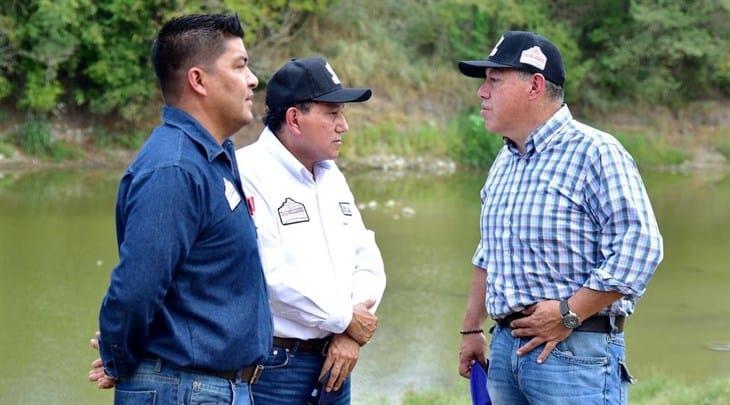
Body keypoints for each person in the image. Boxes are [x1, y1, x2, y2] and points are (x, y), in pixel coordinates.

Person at [456, 31, 663, 404]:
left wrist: (569, 313)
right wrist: (470, 329)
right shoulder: (505, 160)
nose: (482, 93)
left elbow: (640, 248)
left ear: (535, 85)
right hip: (506, 353)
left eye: (494, 81)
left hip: (574, 355)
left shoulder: (596, 152)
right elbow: (489, 251)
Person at [94, 14, 272, 404]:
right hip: (184, 390)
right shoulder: (174, 168)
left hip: (207, 389)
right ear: (198, 80)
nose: (253, 79)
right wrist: (118, 359)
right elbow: (135, 290)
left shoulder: (212, 157)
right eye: (240, 65)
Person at [235, 57, 386, 404]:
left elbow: (366, 258)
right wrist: (345, 319)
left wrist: (351, 334)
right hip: (275, 372)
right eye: (332, 114)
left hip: (337, 360)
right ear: (294, 119)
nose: (343, 126)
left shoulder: (331, 175)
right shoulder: (248, 172)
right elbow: (267, 276)